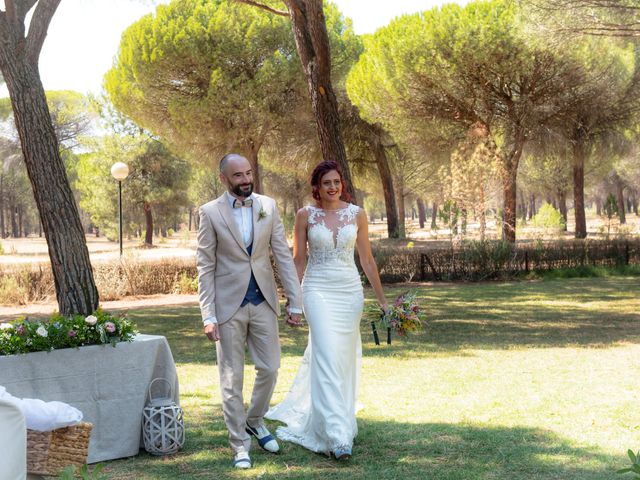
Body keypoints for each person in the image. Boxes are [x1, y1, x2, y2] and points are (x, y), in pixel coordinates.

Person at [266, 160, 388, 460]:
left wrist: (383, 301)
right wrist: (293, 301)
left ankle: (340, 420)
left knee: (343, 359)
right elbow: (298, 261)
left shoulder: (356, 214)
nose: (332, 187)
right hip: (317, 290)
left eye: (336, 182)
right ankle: (336, 435)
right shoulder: (305, 216)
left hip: (349, 292)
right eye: (326, 183)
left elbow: (368, 260)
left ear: (341, 184)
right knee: (326, 355)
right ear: (316, 188)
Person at [196, 153, 303, 469]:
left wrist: (294, 301)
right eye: (237, 176)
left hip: (263, 302)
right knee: (231, 378)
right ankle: (239, 445)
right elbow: (205, 266)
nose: (245, 180)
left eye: (248, 173)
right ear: (224, 179)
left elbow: (283, 255)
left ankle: (254, 421)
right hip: (228, 306)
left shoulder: (267, 206)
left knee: (270, 368)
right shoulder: (209, 213)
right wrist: (208, 314)